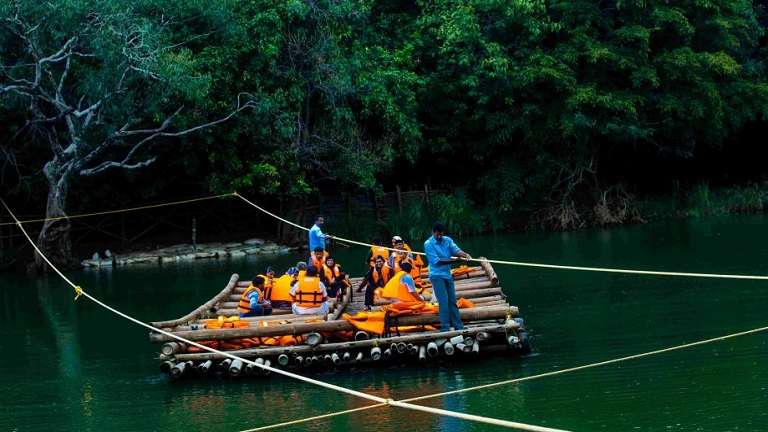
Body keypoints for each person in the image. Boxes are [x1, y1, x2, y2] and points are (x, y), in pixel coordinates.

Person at [424, 223, 472, 331]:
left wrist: (465, 255)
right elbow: (437, 261)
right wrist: (456, 260)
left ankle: (458, 326)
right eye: (437, 235)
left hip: (447, 274)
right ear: (433, 233)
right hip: (436, 275)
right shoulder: (428, 244)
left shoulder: (447, 240)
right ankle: (445, 328)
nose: (440, 237)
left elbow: (456, 251)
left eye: (441, 234)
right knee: (443, 302)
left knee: (452, 301)